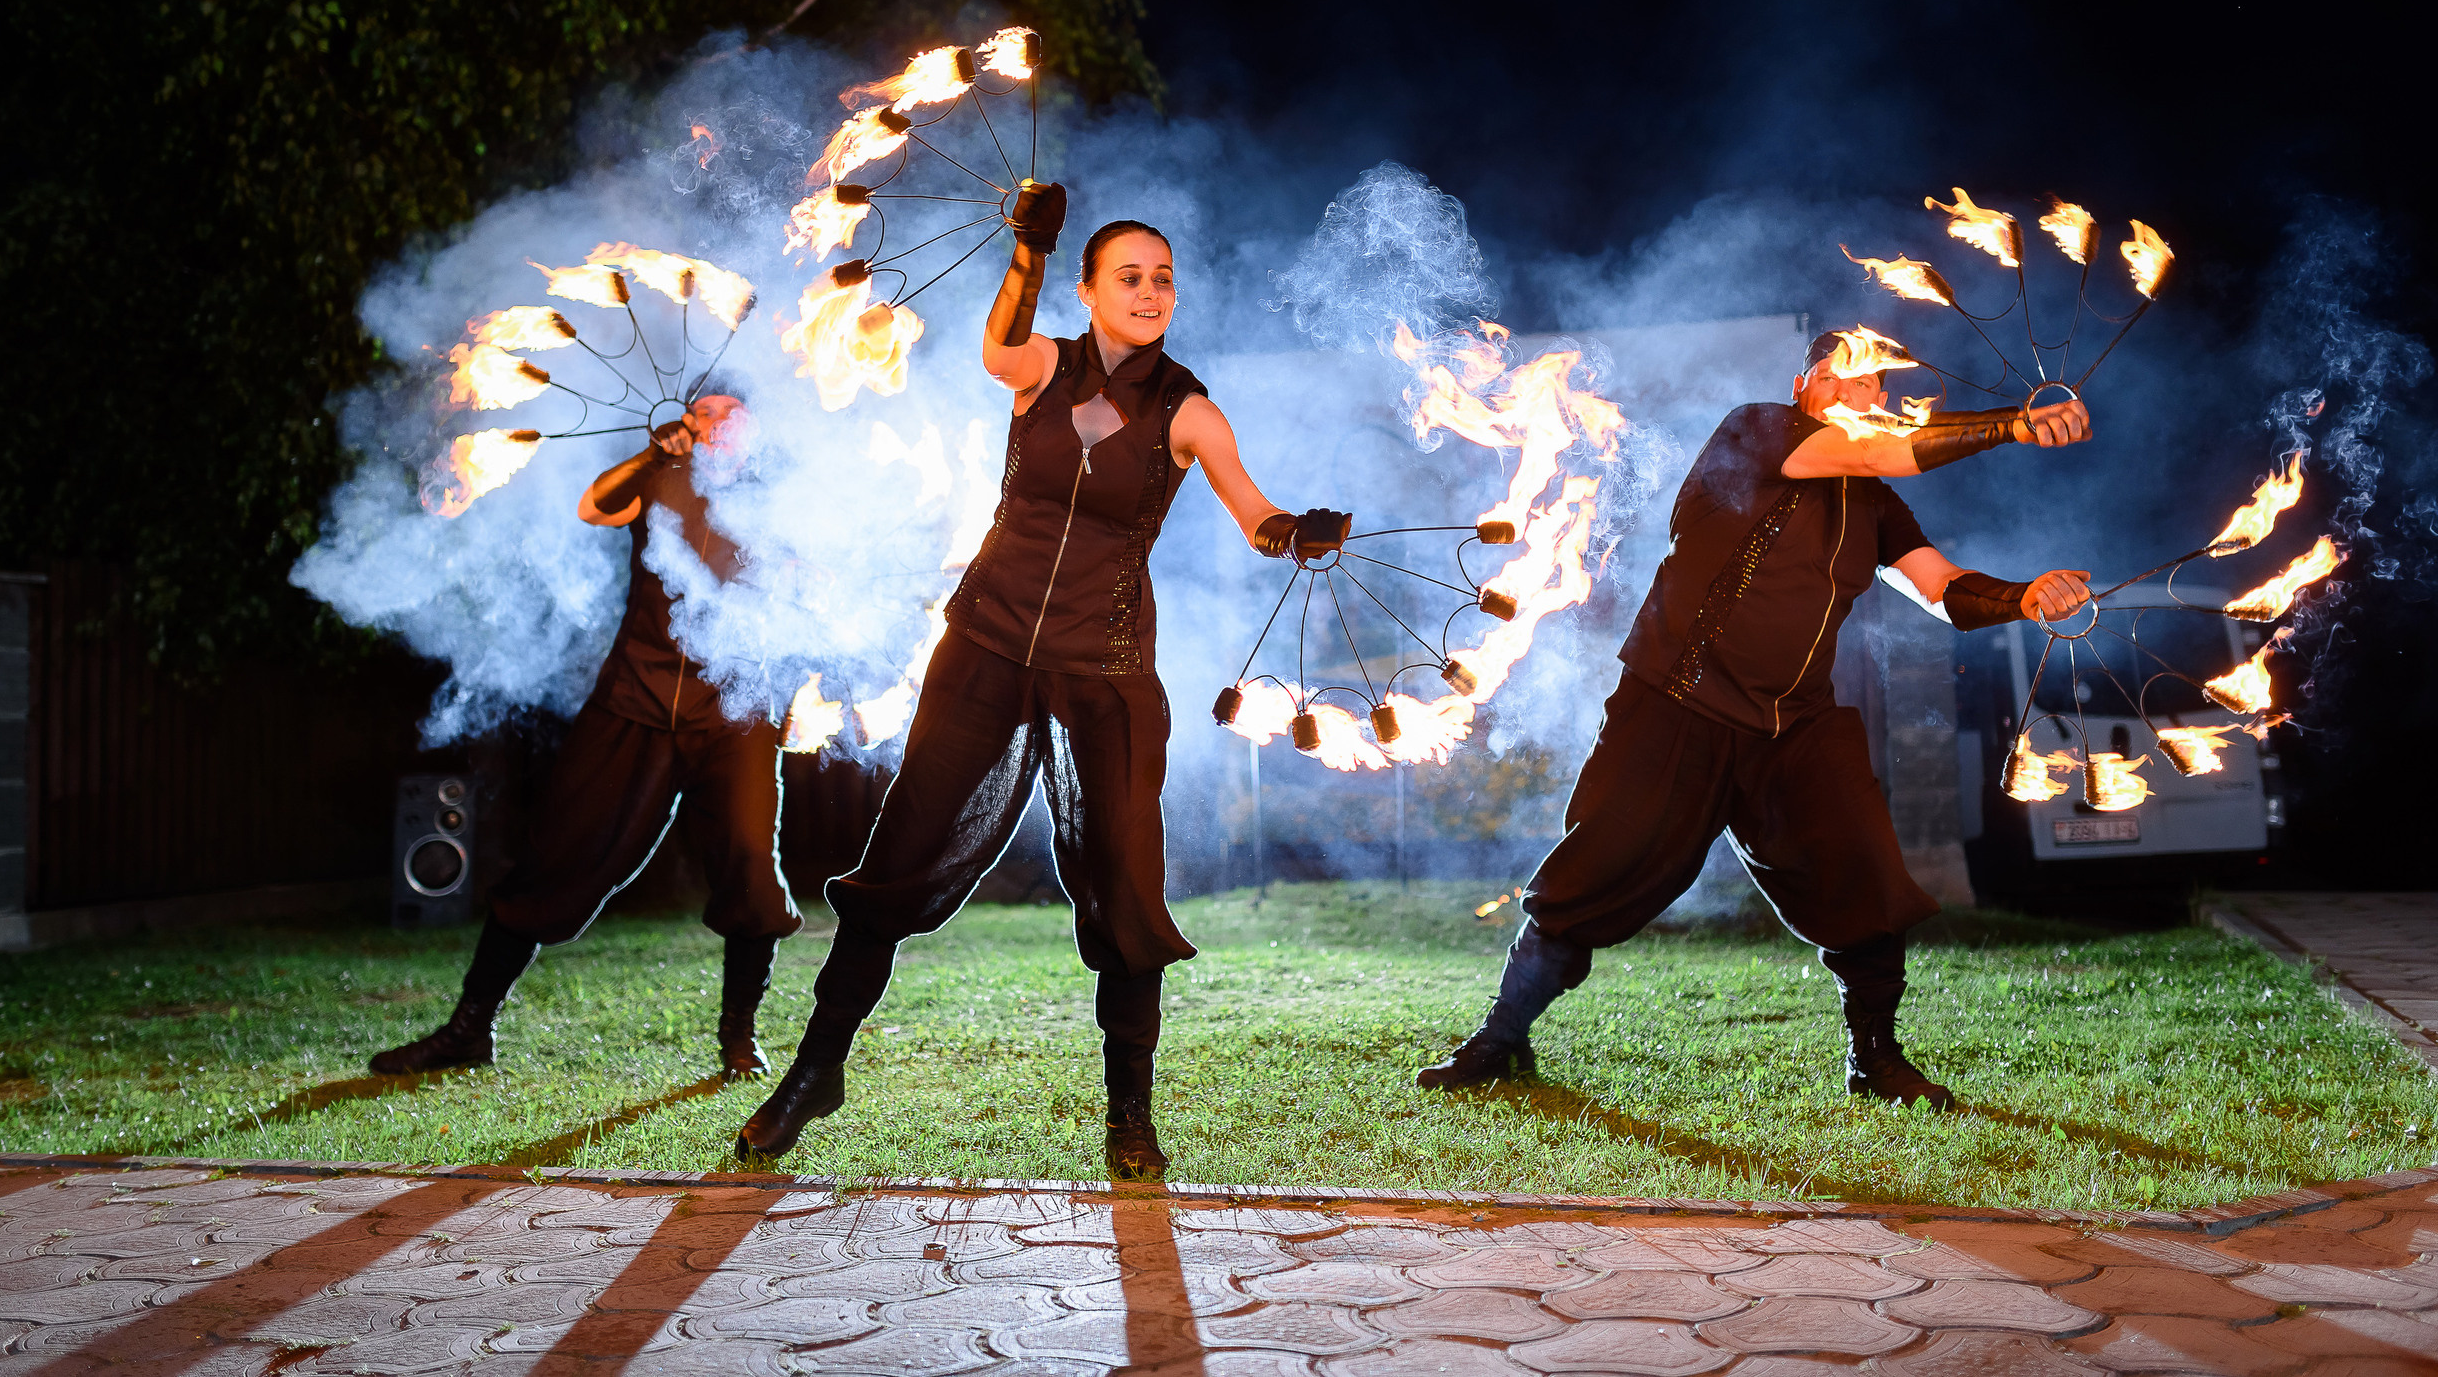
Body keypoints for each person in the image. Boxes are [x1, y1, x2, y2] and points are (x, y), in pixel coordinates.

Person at [737, 183, 1339, 1179]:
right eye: (1128, 277)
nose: (1149, 292)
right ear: (1088, 290)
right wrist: (1028, 249)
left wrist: (1296, 532)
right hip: (987, 642)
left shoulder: (1189, 410)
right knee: (899, 853)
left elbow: (1254, 513)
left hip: (1105, 666)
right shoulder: (1043, 367)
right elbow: (997, 344)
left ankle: (1130, 1113)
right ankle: (813, 1070)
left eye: (1163, 279)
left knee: (1126, 885)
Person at [1416, 331, 2095, 1110]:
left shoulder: (1874, 501)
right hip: (1677, 703)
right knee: (1597, 871)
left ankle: (1875, 1059)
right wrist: (2012, 424)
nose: (1860, 391)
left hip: (1793, 727)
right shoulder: (1758, 429)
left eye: (1873, 383)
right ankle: (1501, 1038)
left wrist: (2024, 596)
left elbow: (1940, 588)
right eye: (1842, 375)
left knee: (1865, 876)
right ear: (1805, 384)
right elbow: (1879, 449)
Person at [371, 394, 802, 1081]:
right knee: (558, 854)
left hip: (737, 709)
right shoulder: (660, 477)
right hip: (633, 701)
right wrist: (652, 454)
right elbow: (595, 506)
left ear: (753, 425)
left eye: (731, 410)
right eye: (705, 409)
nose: (716, 420)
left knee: (751, 865)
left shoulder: (787, 496)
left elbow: (815, 594)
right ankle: (468, 1028)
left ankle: (739, 1041)